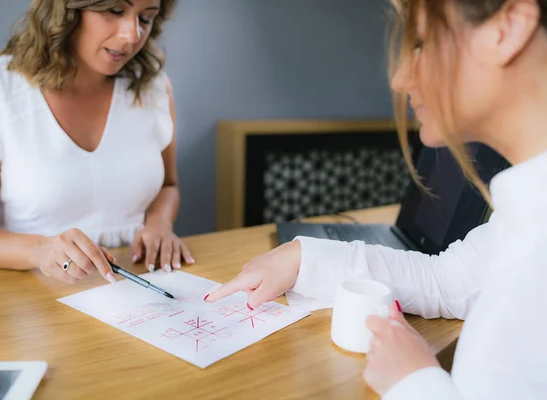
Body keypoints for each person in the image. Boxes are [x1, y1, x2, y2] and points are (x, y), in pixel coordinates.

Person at [205, 0, 547, 398]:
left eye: (419, 42)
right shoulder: (524, 215)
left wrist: (416, 383)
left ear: (508, 29)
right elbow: (449, 280)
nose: (400, 79)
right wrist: (304, 260)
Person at [0, 0, 194, 283]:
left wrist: (159, 225)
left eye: (146, 18)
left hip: (126, 288)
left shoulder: (154, 88)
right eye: (115, 11)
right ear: (66, 8)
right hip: (10, 296)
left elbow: (168, 185)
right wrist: (39, 250)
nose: (132, 34)